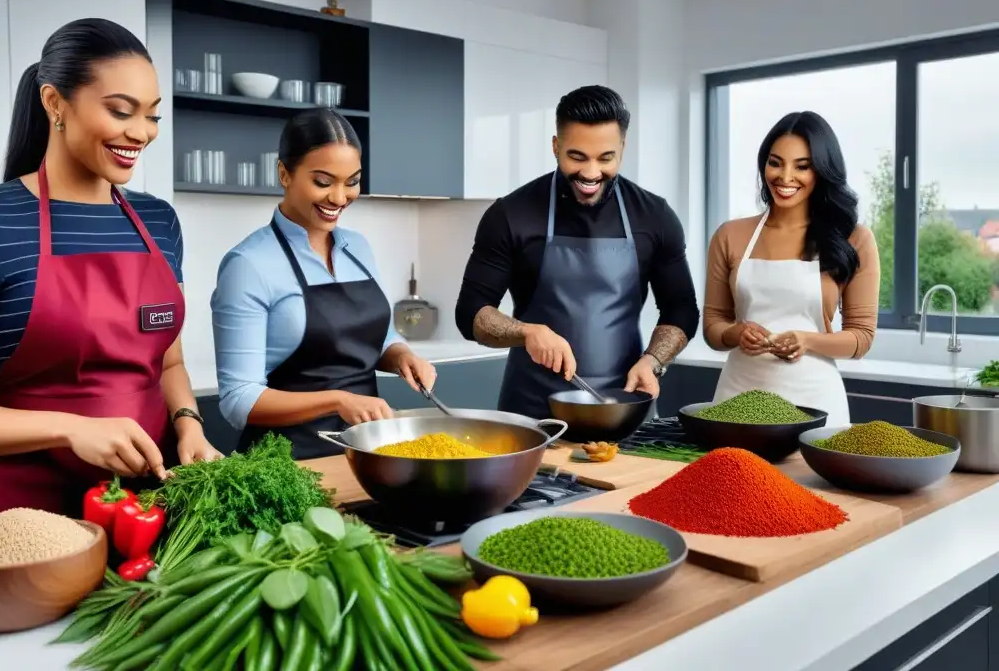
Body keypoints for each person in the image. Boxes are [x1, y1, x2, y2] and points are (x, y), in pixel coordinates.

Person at [0, 19, 220, 521]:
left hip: (149, 505)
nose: (141, 133)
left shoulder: (158, 221)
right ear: (54, 103)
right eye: (120, 111)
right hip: (23, 515)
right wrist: (70, 428)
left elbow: (167, 363)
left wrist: (188, 423)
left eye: (152, 116)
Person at [455, 85, 700, 419]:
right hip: (533, 415)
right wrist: (526, 332)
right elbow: (471, 313)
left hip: (625, 411)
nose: (590, 173)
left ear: (623, 149)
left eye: (606, 158)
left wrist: (653, 361)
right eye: (577, 156)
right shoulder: (511, 214)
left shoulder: (654, 216)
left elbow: (681, 309)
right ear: (556, 146)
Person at [211, 108, 437, 459]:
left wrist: (401, 354)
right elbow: (238, 400)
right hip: (285, 466)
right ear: (284, 174)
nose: (339, 197)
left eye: (352, 181)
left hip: (366, 455)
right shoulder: (249, 265)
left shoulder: (357, 248)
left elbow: (374, 338)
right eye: (323, 181)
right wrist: (337, 401)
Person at [703, 111, 881, 426]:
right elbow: (713, 326)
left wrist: (806, 339)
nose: (785, 177)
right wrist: (736, 332)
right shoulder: (730, 235)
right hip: (737, 398)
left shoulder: (853, 238)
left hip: (815, 400)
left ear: (823, 171)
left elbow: (861, 338)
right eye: (775, 162)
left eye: (802, 166)